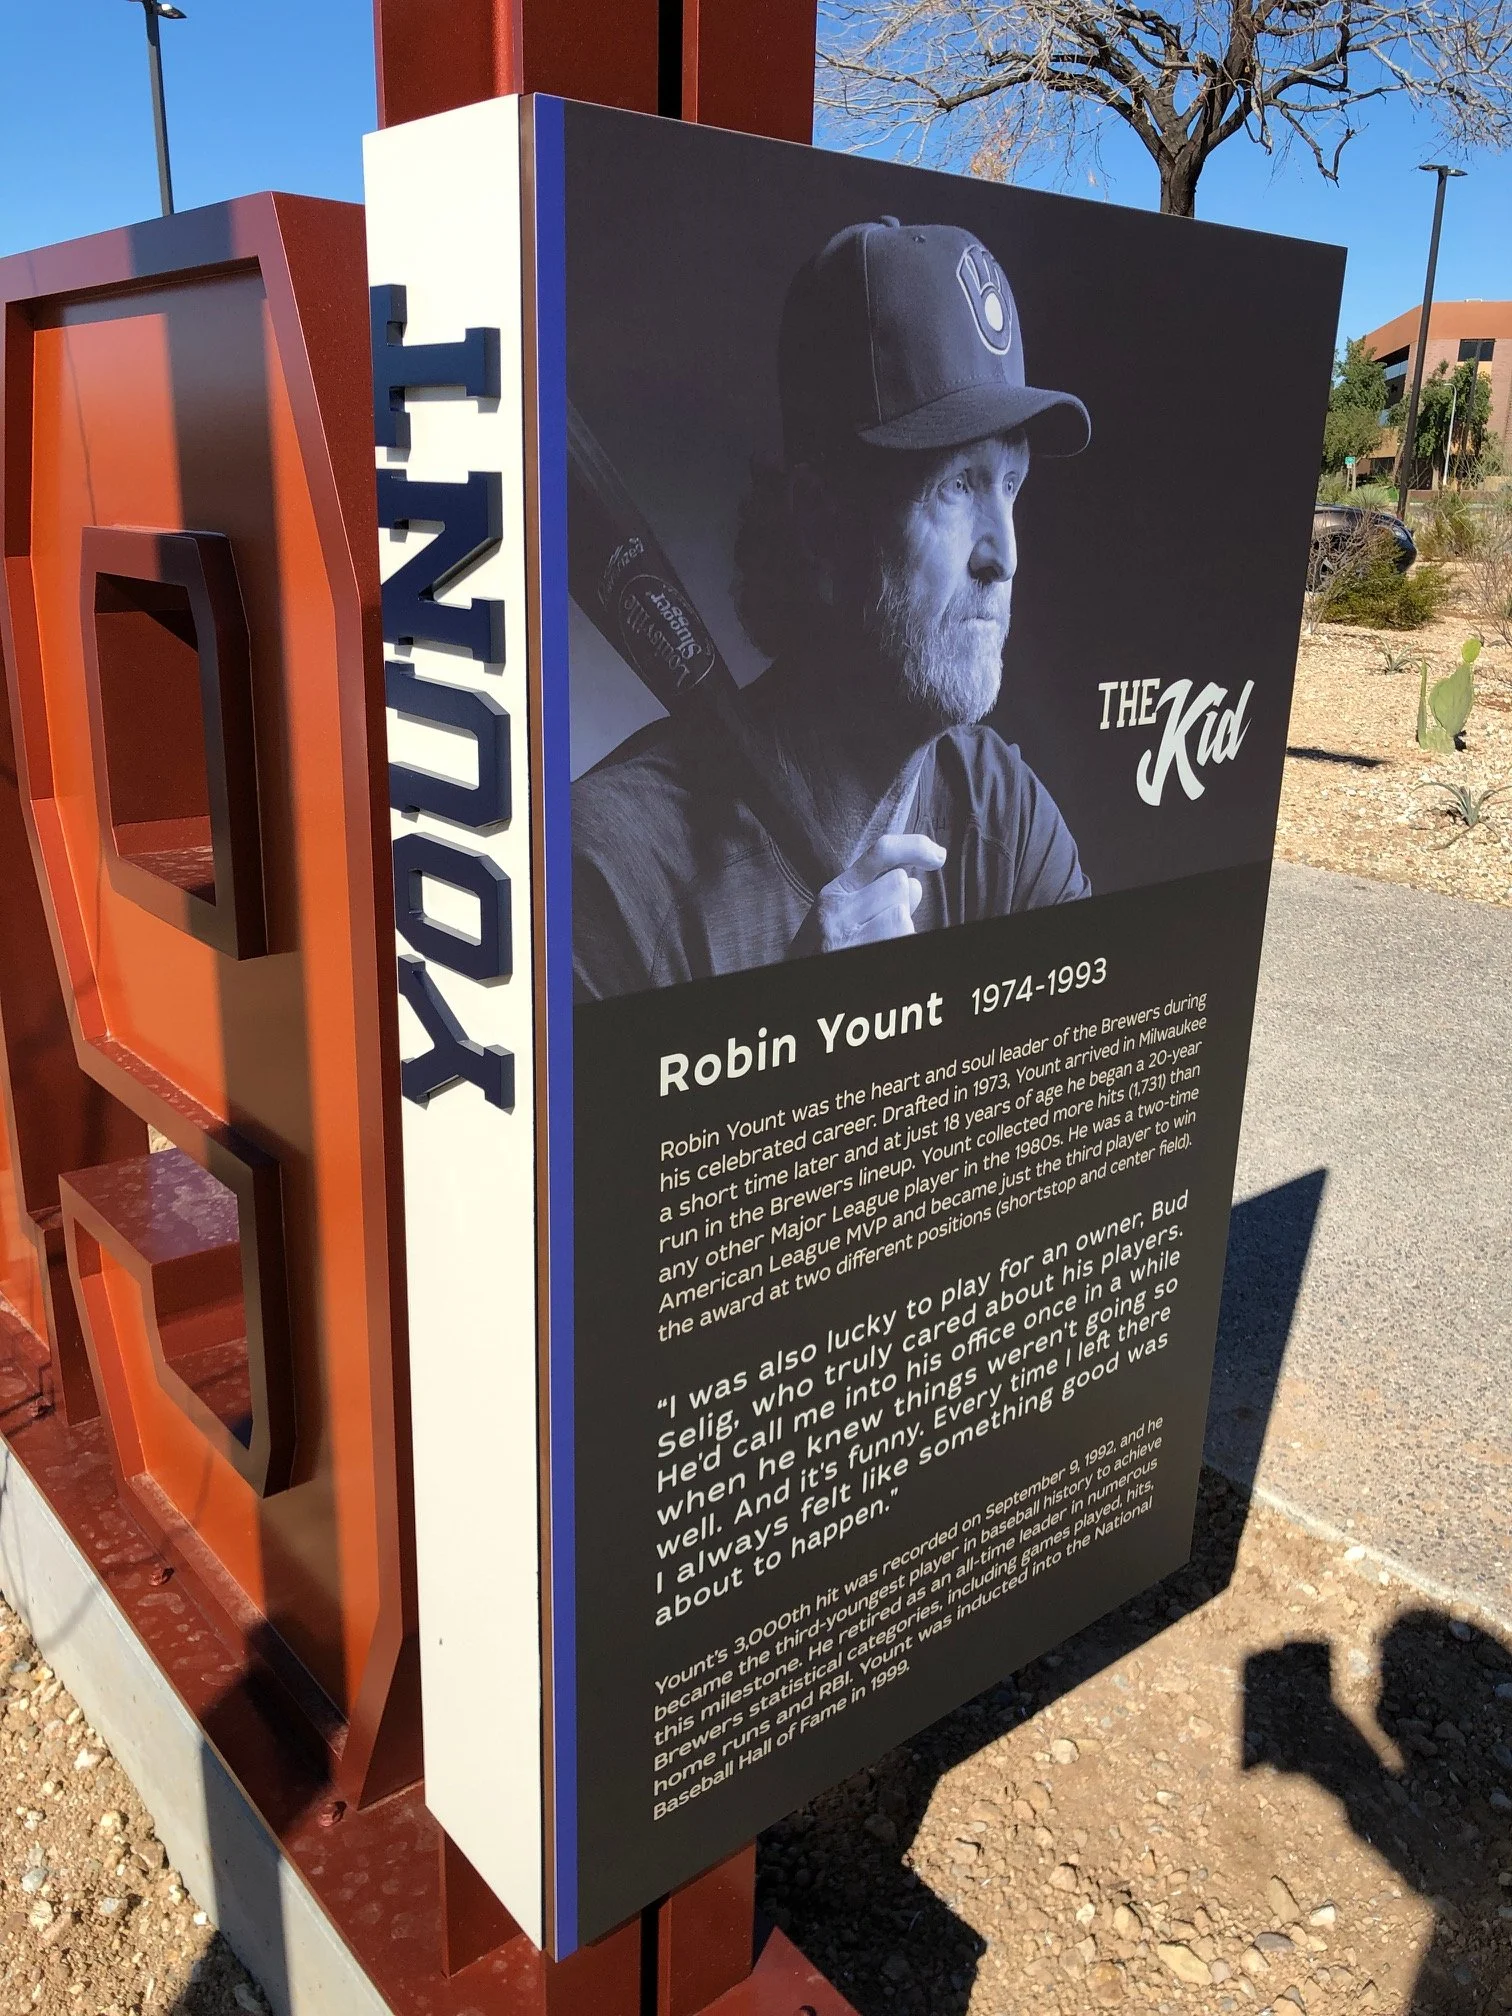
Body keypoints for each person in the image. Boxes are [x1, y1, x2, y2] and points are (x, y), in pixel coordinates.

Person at [572, 216, 1093, 1003]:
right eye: (956, 485)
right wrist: (806, 1026)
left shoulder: (999, 811)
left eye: (1011, 486)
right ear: (820, 522)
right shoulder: (615, 873)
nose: (1005, 556)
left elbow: (1073, 1102)